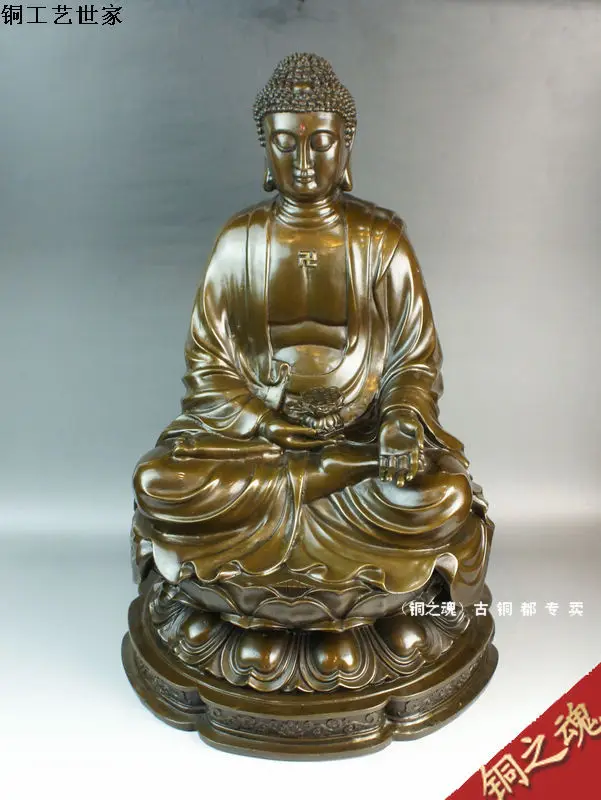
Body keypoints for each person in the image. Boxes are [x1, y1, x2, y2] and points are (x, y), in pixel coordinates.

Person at [131, 53, 493, 608]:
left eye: (320, 143)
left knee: (443, 495)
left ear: (346, 147)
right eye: (285, 143)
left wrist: (399, 420)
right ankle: (321, 478)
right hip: (259, 447)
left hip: (362, 437)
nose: (303, 162)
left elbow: (414, 357)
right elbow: (207, 364)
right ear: (265, 149)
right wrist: (264, 422)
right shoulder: (238, 242)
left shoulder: (381, 241)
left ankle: (328, 477)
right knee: (161, 482)